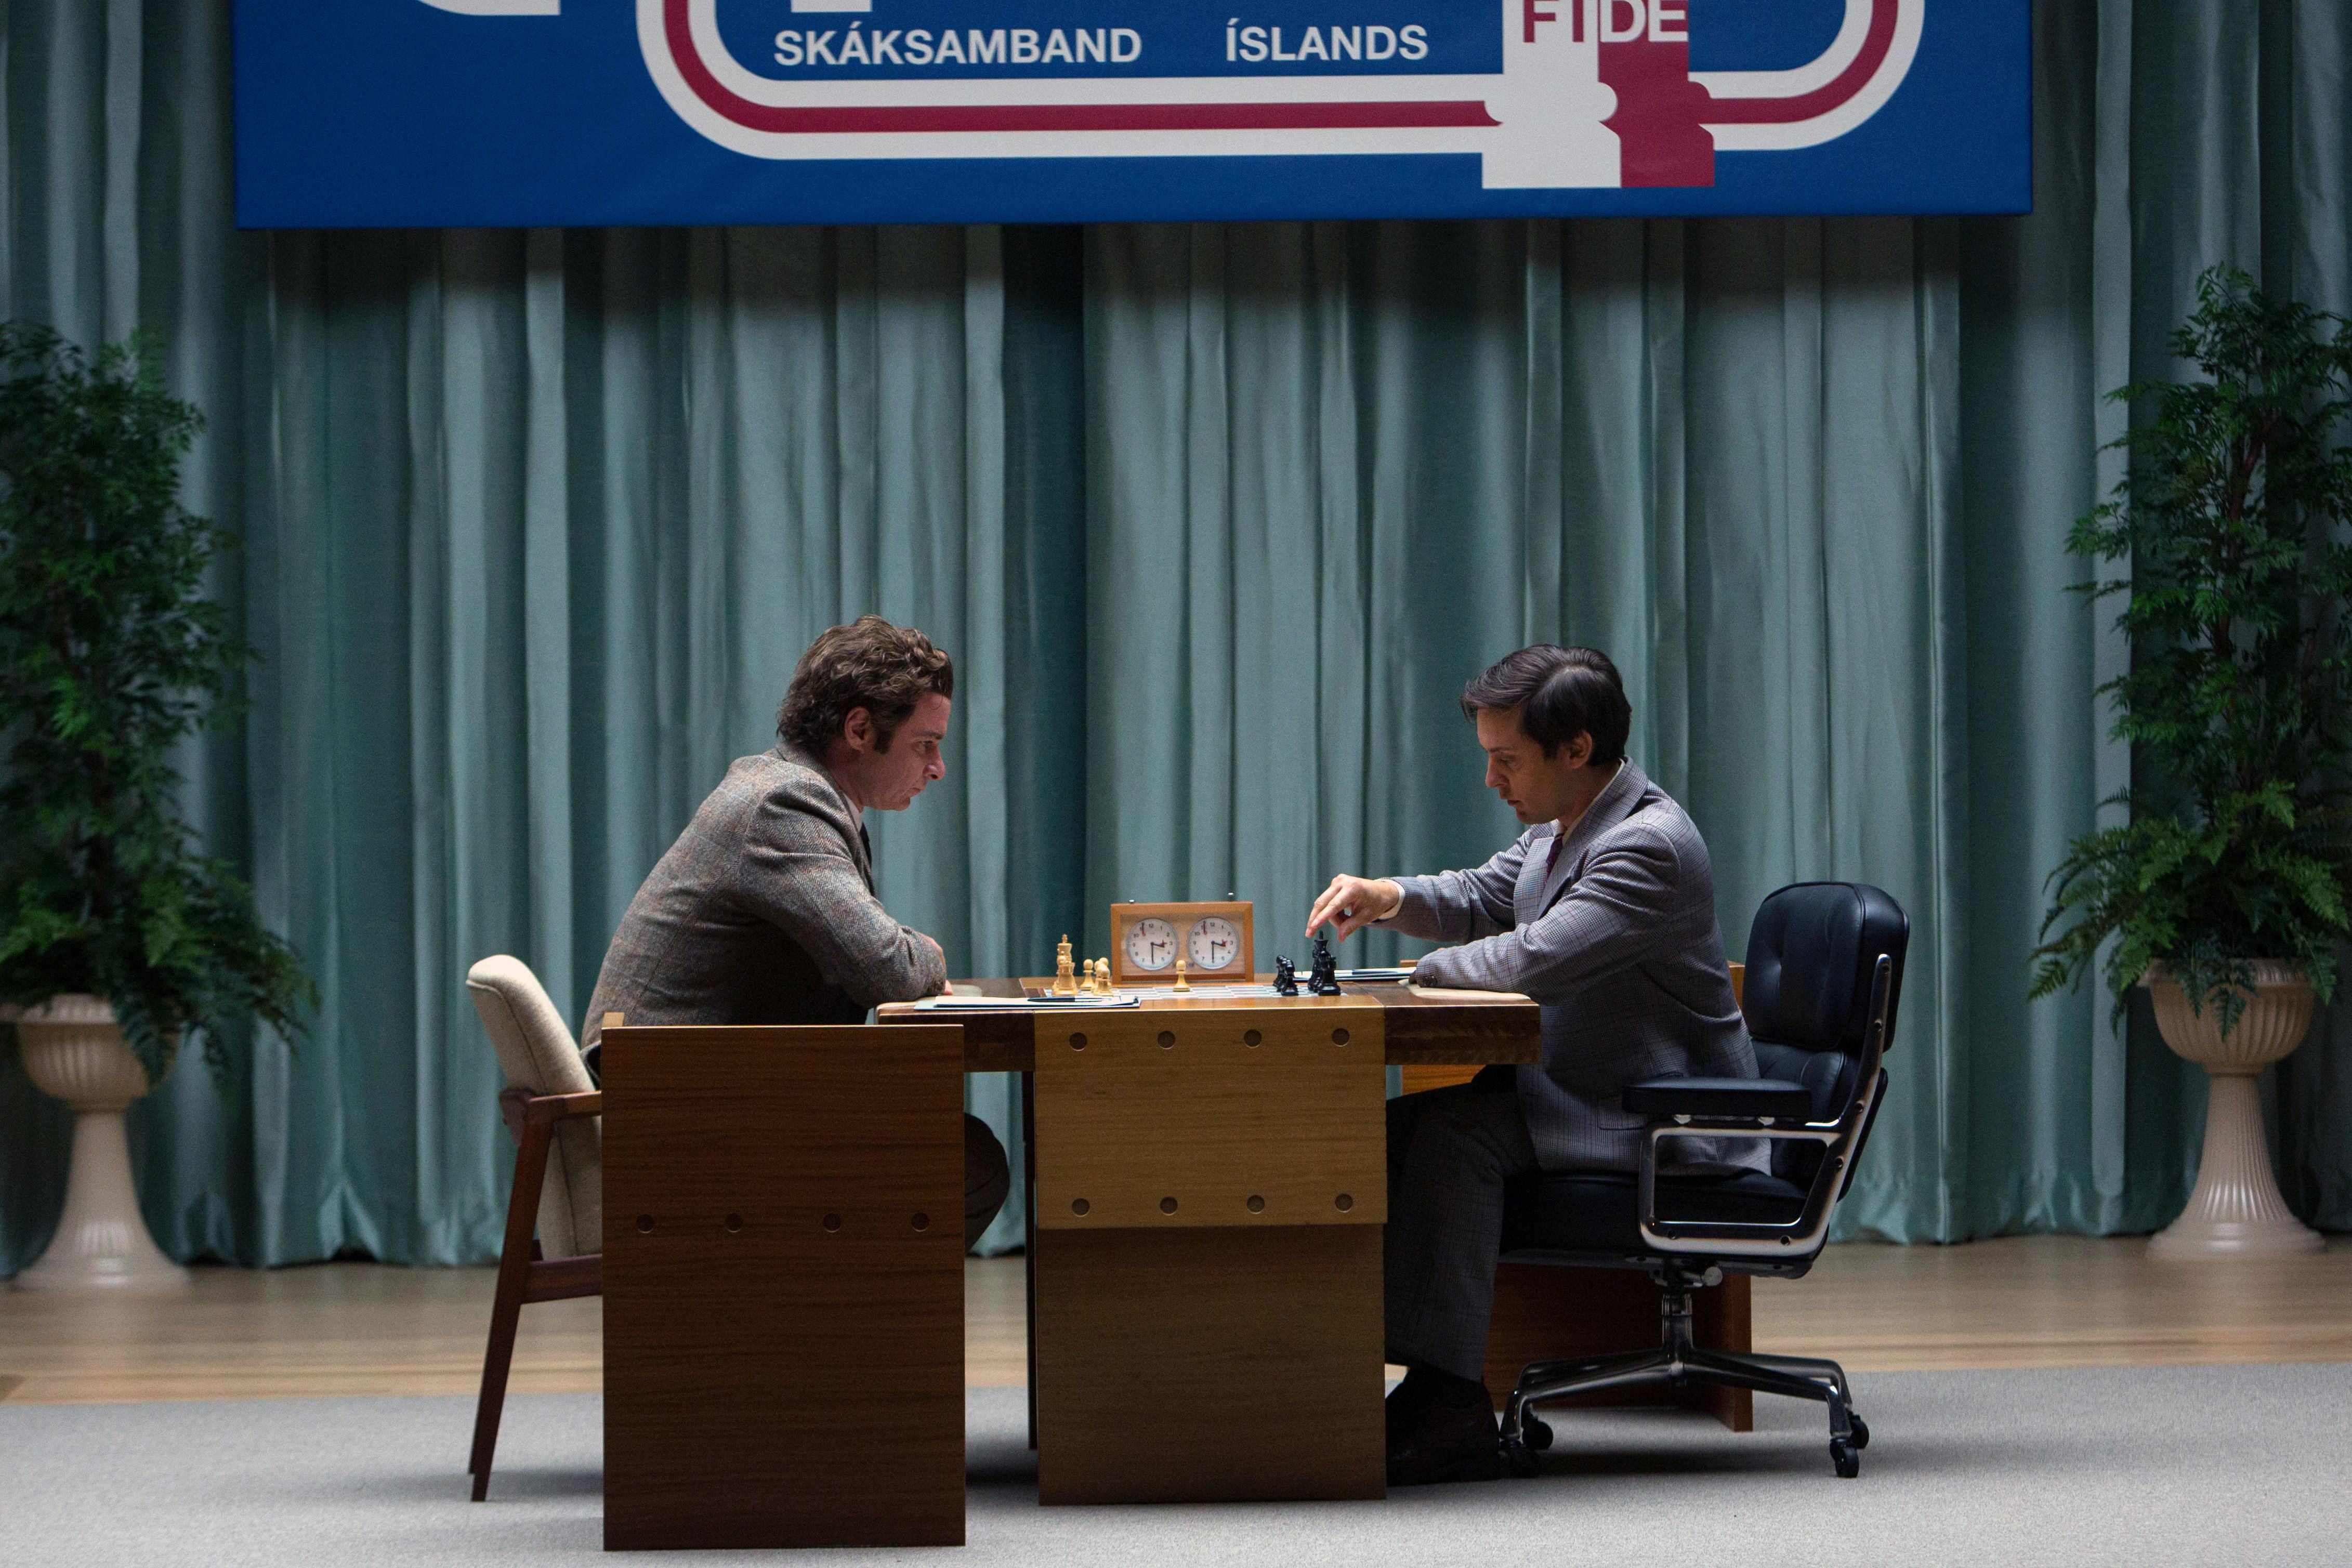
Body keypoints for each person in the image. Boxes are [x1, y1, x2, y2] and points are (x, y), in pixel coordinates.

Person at [1305, 644, 1758, 1486]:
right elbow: (1484, 896)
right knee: (1389, 1134)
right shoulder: (1564, 828)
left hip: (1663, 1117)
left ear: (1576, 749)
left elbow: (1532, 956)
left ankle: (1448, 1409)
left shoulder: (1648, 845)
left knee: (1459, 1141)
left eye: (1506, 760)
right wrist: (1388, 895)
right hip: (1586, 1091)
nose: (1491, 780)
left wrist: (1414, 975)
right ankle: (1403, 1382)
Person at [581, 615, 1010, 1251]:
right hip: (668, 1111)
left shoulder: (789, 790)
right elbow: (888, 967)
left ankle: (812, 1313)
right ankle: (807, 1314)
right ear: (859, 729)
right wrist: (932, 953)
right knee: (960, 1161)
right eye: (925, 744)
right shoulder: (784, 805)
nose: (938, 767)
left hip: (679, 1090)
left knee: (954, 1147)